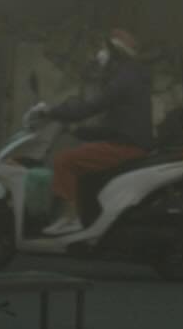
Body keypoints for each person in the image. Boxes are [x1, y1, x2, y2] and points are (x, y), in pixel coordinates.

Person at [30, 28, 153, 236]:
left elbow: (91, 106)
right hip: (127, 142)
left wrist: (52, 111)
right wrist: (79, 132)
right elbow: (112, 124)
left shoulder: (124, 78)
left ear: (115, 52)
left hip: (125, 147)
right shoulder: (129, 75)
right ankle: (83, 216)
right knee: (81, 160)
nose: (99, 54)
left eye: (103, 49)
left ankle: (71, 218)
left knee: (65, 161)